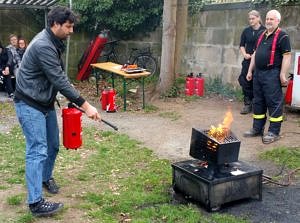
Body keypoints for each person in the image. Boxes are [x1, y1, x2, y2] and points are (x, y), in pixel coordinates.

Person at [14, 6, 101, 217]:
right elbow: (59, 80)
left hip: (44, 102)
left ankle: (45, 177)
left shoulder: (54, 41)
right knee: (37, 150)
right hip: (29, 103)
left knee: (52, 146)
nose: (71, 31)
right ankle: (35, 203)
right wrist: (86, 105)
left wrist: (69, 99)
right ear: (55, 24)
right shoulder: (43, 45)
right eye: (68, 26)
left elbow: (58, 76)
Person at [243, 9, 291, 144]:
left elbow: (287, 57)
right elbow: (255, 54)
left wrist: (282, 74)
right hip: (258, 74)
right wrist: (250, 71)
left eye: (272, 19)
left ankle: (273, 132)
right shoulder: (262, 34)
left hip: (272, 74)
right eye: (267, 19)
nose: (269, 21)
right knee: (258, 101)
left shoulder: (283, 36)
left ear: (278, 21)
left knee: (274, 103)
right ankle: (257, 129)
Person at [239, 10, 265, 114]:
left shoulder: (265, 31)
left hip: (259, 61)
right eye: (249, 19)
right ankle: (247, 104)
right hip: (248, 60)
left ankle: (257, 104)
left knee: (257, 82)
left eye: (253, 18)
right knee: (245, 81)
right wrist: (245, 54)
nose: (251, 20)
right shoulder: (246, 31)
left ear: (258, 18)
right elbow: (241, 45)